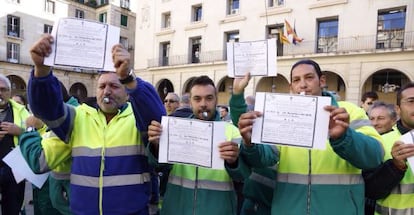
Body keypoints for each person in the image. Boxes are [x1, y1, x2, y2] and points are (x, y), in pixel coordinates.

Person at [27, 34, 165, 214]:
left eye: (115, 86)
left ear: (126, 93)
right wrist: (41, 72)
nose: (107, 91)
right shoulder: (78, 117)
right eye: (102, 86)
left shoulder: (136, 118)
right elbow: (46, 110)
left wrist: (129, 78)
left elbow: (158, 118)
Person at [237, 59, 384, 215]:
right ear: (291, 87)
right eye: (296, 80)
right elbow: (264, 158)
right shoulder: (281, 117)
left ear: (321, 81)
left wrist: (344, 136)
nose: (303, 85)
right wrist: (250, 143)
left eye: (309, 77)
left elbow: (374, 156)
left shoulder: (349, 111)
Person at [147, 75, 246, 215]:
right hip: (177, 210)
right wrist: (156, 146)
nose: (203, 104)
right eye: (197, 99)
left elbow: (243, 176)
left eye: (209, 98)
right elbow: (157, 166)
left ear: (216, 100)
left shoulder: (232, 132)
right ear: (190, 102)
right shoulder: (174, 130)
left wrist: (234, 162)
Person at [20, 82, 80, 215]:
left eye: (37, 107)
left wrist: (30, 129)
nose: (35, 113)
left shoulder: (69, 119)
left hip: (65, 196)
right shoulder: (62, 115)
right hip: (56, 191)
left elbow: (38, 161)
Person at [228, 72, 276, 215]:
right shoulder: (260, 130)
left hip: (279, 203)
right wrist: (237, 94)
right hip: (252, 202)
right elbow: (242, 120)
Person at [364, 82, 414, 215]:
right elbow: (370, 191)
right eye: (411, 101)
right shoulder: (380, 142)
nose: (375, 123)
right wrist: (395, 166)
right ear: (398, 109)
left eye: (380, 118)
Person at [0, 74, 30, 215]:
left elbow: (35, 135)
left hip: (15, 169)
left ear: (9, 92)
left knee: (12, 208)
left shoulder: (22, 111)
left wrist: (20, 131)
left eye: (3, 89)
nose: (0, 93)